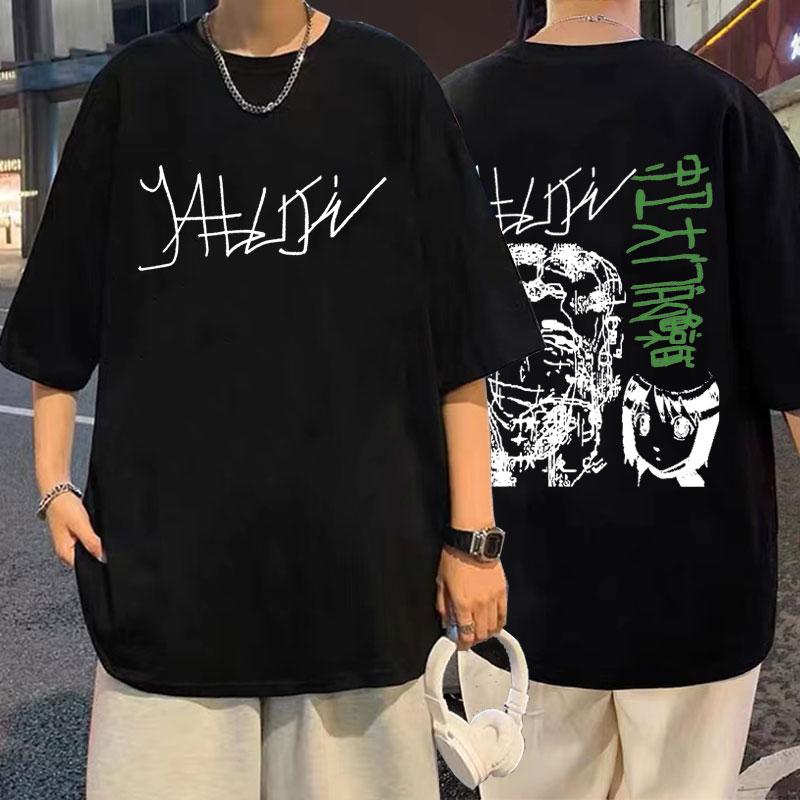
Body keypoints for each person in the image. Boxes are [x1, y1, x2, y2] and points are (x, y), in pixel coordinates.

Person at [0, 1, 543, 798]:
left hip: (361, 580)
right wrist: (52, 481)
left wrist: (474, 537)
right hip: (171, 583)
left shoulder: (390, 84)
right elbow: (58, 309)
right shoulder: (137, 89)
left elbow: (460, 335)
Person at [443, 0, 800, 797]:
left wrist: (452, 542)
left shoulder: (451, 113)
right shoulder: (724, 112)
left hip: (511, 590)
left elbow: (414, 361)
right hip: (699, 591)